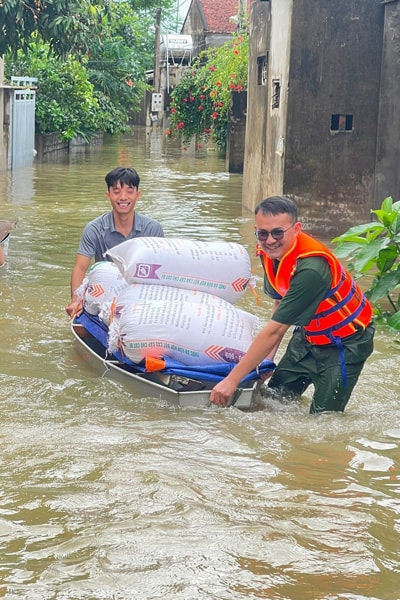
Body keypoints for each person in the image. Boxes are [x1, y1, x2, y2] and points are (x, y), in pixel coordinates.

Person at [210, 196, 375, 414]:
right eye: (263, 234)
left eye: (278, 232)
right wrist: (267, 360)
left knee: (324, 420)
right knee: (272, 399)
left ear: (296, 229)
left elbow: (277, 329)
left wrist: (232, 381)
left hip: (345, 344)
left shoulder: (311, 269)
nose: (270, 240)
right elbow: (280, 302)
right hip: (307, 337)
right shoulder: (271, 254)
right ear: (256, 231)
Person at [66, 166, 164, 317]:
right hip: (104, 295)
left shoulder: (153, 229)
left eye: (129, 191)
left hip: (139, 297)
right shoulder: (94, 229)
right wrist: (75, 300)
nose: (123, 197)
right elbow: (80, 268)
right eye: (117, 191)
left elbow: (161, 272)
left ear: (138, 195)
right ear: (108, 195)